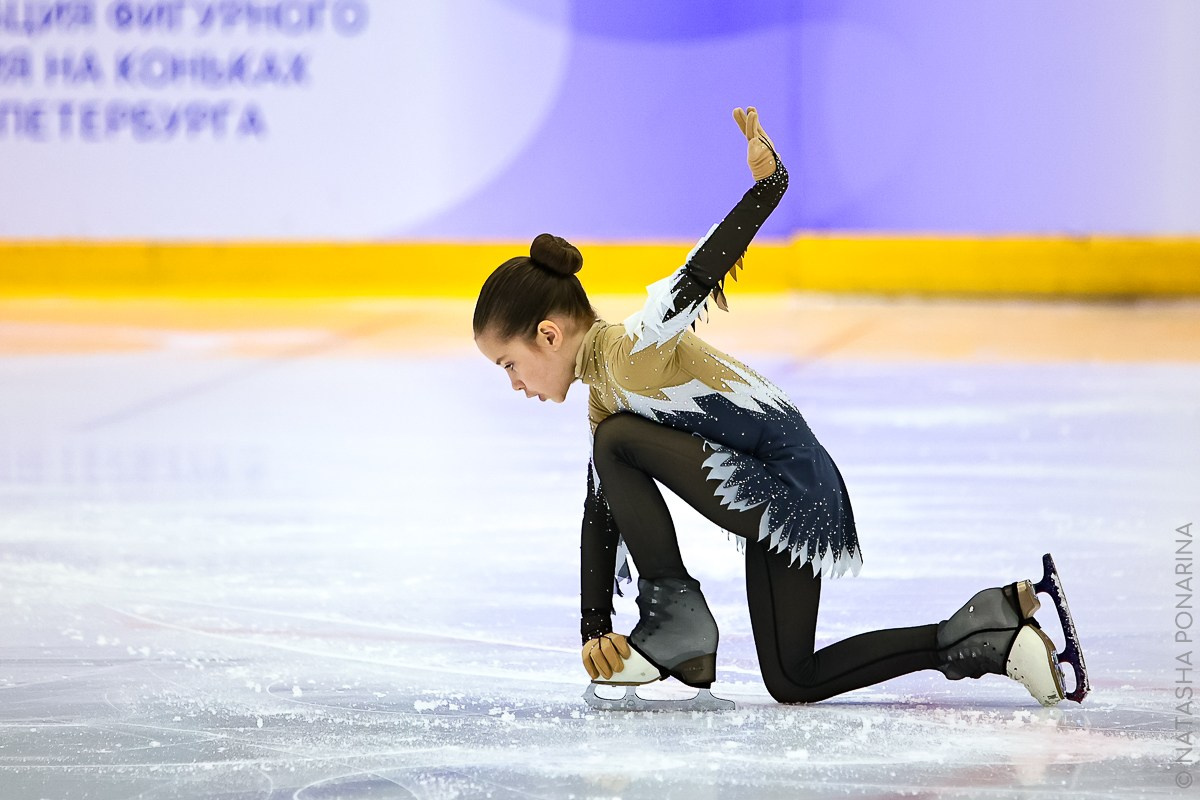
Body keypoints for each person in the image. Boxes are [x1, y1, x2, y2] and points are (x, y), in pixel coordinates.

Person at [473, 107, 1083, 709]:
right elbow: (600, 516)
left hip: (791, 484)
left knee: (615, 444)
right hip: (788, 493)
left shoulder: (636, 346)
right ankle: (992, 631)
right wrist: (594, 630)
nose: (515, 385)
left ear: (548, 335)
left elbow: (701, 269)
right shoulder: (604, 399)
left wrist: (769, 186)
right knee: (794, 679)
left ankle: (673, 616)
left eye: (509, 364)